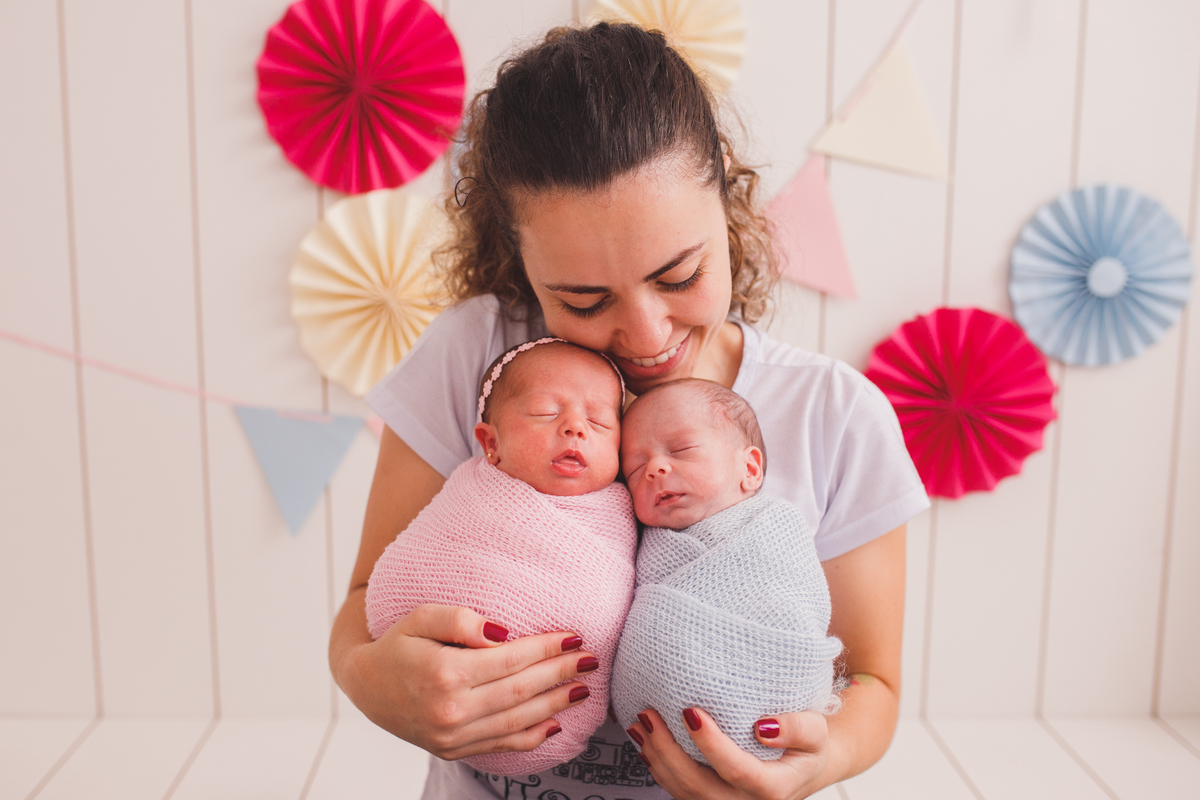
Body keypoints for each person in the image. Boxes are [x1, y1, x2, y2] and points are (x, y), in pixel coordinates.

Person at [330, 22, 928, 800]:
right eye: (583, 299)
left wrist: (826, 756)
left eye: (679, 274)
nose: (647, 337)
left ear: (729, 201)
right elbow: (360, 609)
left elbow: (874, 683)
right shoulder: (476, 359)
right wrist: (370, 679)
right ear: (522, 265)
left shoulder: (834, 415)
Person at [364, 338, 638, 776]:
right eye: (547, 412)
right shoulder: (473, 495)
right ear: (490, 443)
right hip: (455, 696)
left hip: (567, 708)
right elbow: (407, 574)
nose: (575, 427)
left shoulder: (623, 507)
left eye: (600, 421)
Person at [611, 378, 843, 767]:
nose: (654, 468)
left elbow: (797, 604)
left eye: (681, 450)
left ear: (750, 468)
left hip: (770, 702)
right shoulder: (641, 541)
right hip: (656, 724)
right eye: (634, 469)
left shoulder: (775, 529)